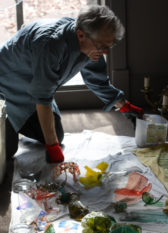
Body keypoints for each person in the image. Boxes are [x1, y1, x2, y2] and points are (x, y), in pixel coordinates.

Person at [0, 4, 142, 163]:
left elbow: (98, 82)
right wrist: (52, 147)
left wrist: (124, 106)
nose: (104, 52)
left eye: (108, 47)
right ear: (80, 35)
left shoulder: (91, 44)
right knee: (7, 151)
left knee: (56, 136)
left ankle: (18, 125)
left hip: (34, 89)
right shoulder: (50, 44)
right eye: (101, 46)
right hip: (5, 88)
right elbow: (43, 98)